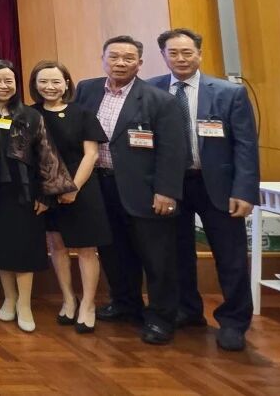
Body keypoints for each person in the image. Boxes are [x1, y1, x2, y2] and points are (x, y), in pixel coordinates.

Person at [149, 28, 259, 352]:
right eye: (173, 53)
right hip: (171, 185)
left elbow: (246, 146)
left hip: (219, 187)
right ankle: (188, 310)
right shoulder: (151, 91)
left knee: (231, 257)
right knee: (177, 253)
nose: (181, 59)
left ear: (200, 54)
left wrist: (245, 191)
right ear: (163, 56)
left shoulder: (229, 93)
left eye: (187, 52)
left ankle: (234, 322)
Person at [75, 35, 187, 345]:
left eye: (128, 58)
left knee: (157, 258)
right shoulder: (86, 90)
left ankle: (161, 318)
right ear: (103, 59)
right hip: (100, 186)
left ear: (140, 63)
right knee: (114, 251)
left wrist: (166, 191)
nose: (120, 63)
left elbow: (172, 151)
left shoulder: (159, 100)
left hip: (145, 191)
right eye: (114, 57)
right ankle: (125, 303)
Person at [0, 60, 67, 333]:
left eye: (9, 81)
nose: (3, 86)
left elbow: (46, 155)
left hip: (26, 192)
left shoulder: (31, 115)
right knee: (1, 246)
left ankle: (24, 303)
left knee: (24, 248)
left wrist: (45, 194)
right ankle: (9, 298)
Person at [31, 60, 110, 334]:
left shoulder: (82, 113)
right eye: (43, 81)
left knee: (87, 249)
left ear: (66, 84)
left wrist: (73, 187)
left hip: (82, 188)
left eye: (56, 81)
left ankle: (88, 304)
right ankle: (68, 298)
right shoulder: (30, 114)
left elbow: (92, 155)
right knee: (57, 245)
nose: (49, 87)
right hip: (47, 190)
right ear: (35, 85)